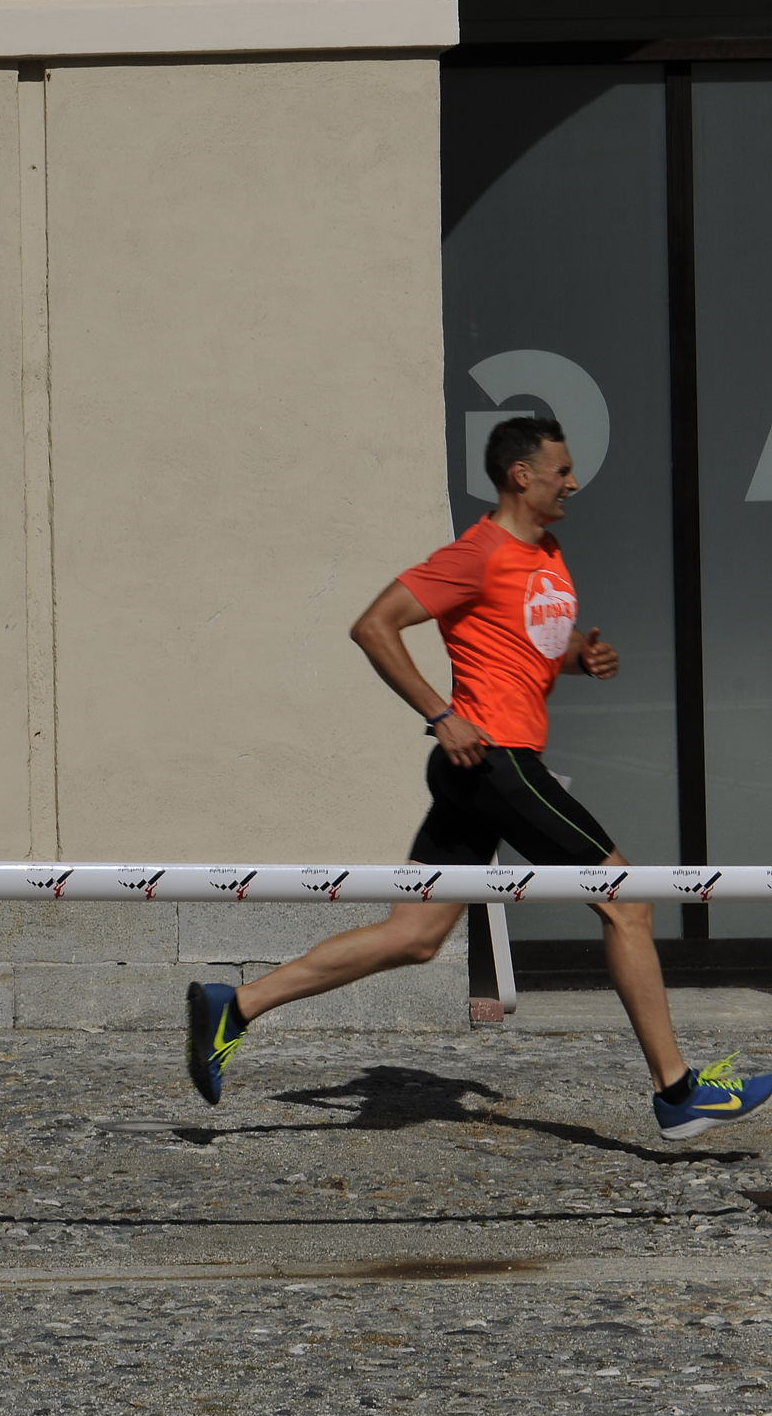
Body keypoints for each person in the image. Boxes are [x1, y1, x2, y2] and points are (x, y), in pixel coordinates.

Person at [186, 414, 772, 1139]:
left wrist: (579, 661)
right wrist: (440, 713)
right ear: (522, 476)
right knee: (627, 901)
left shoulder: (546, 551)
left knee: (414, 936)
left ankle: (235, 1005)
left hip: (484, 769)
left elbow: (526, 647)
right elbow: (373, 625)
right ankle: (677, 1092)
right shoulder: (476, 555)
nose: (573, 482)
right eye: (561, 470)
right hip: (495, 761)